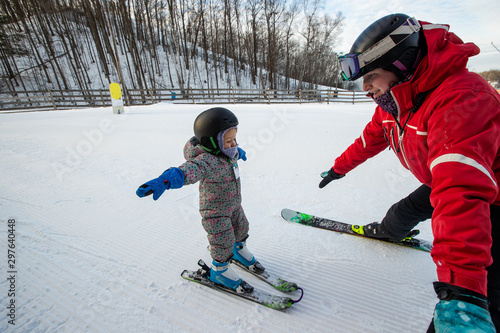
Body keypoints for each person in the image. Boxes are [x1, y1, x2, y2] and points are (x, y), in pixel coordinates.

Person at [319, 13, 500, 332]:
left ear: (401, 65)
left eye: (371, 76)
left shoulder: (461, 97)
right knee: (403, 211)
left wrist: (463, 290)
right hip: (443, 179)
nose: (367, 89)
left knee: (480, 300)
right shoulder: (395, 105)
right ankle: (391, 230)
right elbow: (367, 141)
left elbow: (460, 193)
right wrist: (338, 168)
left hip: (487, 196)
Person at [136, 107, 264, 293]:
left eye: (234, 140)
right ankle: (219, 271)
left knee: (242, 227)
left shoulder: (228, 153)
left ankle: (238, 249)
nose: (233, 144)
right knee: (222, 240)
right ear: (212, 143)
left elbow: (233, 152)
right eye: (228, 141)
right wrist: (165, 180)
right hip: (215, 212)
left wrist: (239, 151)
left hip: (234, 205)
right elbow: (188, 171)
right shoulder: (207, 161)